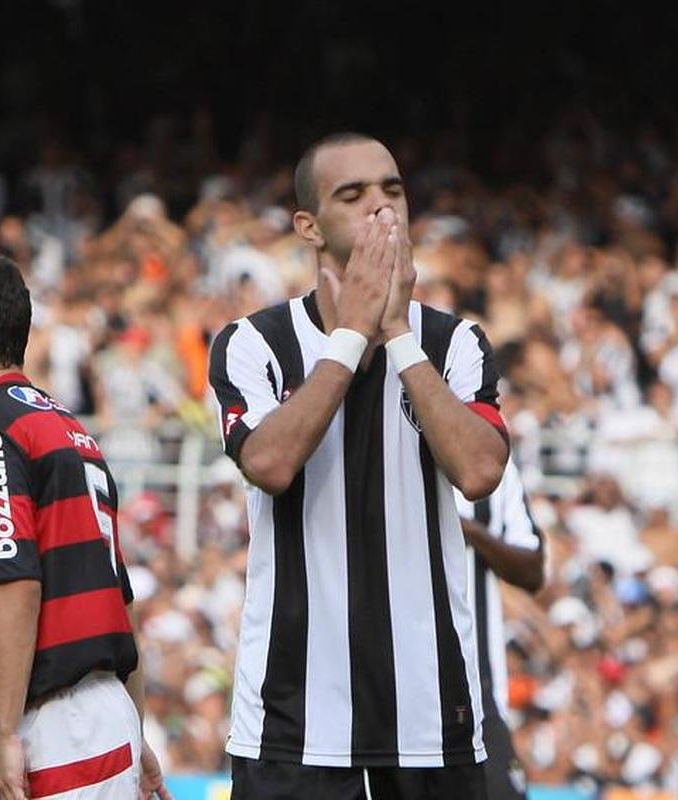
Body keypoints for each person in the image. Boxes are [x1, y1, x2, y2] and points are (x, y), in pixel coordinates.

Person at [208, 132, 508, 799]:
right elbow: (271, 464)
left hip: (431, 717)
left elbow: (480, 472)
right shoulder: (252, 342)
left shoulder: (452, 341)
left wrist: (397, 331)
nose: (381, 209)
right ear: (308, 226)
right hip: (294, 719)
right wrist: (350, 333)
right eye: (353, 195)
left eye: (392, 190)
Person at [0, 250, 170, 800]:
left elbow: (14, 579)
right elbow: (117, 594)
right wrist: (137, 730)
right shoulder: (65, 425)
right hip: (104, 716)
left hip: (50, 726)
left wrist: (4, 729)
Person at [455, 456, 545, 800]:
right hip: (395, 687)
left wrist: (472, 532)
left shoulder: (492, 458)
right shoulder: (384, 448)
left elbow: (532, 568)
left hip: (479, 689)